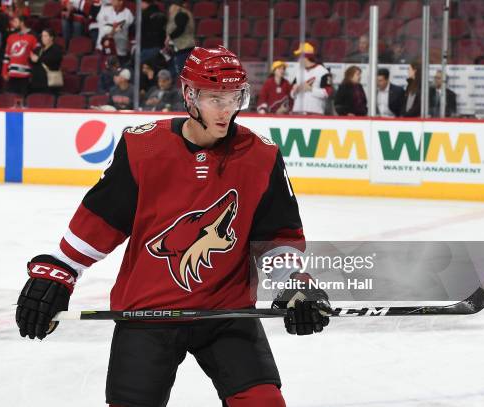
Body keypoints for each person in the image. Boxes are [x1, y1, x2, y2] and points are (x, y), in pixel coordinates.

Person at [16, 45, 330, 407]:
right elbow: (102, 219)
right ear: (189, 95)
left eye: (234, 97)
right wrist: (60, 269)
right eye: (215, 98)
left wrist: (292, 282)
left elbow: (276, 238)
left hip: (226, 314)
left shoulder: (261, 155)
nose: (226, 109)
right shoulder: (143, 146)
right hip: (149, 313)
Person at [290, 42, 332, 115]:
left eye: (299, 56)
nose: (298, 59)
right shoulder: (299, 71)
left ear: (305, 57)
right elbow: (291, 94)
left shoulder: (323, 71)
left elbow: (327, 93)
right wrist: (294, 90)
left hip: (315, 113)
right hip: (297, 112)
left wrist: (310, 89)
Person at [2, 15, 38, 96]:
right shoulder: (11, 36)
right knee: (11, 100)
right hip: (12, 74)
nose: (13, 24)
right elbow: (6, 56)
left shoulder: (33, 36)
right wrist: (4, 72)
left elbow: (36, 55)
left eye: (15, 22)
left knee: (23, 100)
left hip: (25, 75)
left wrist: (32, 73)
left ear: (22, 23)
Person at [96, 0, 134, 65]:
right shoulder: (104, 10)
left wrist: (113, 29)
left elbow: (123, 27)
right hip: (104, 47)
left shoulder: (128, 13)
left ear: (121, 1)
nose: (112, 1)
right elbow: (103, 27)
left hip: (120, 49)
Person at [166, 0, 195, 78]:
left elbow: (180, 29)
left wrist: (169, 37)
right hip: (182, 48)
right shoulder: (184, 13)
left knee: (182, 72)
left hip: (183, 48)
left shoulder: (181, 14)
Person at [30, 28, 63, 94]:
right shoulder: (39, 49)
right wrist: (32, 58)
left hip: (49, 82)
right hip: (36, 81)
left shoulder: (56, 49)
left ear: (51, 38)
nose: (43, 38)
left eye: (45, 36)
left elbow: (52, 60)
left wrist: (38, 59)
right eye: (42, 36)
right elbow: (31, 58)